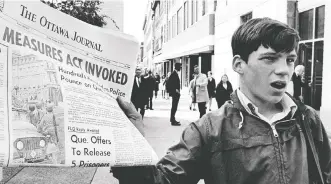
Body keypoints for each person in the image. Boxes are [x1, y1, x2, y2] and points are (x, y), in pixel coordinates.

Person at [113, 17, 331, 184]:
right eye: (270, 58)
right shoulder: (210, 129)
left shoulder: (307, 118)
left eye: (290, 60)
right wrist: (130, 146)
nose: (284, 70)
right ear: (239, 64)